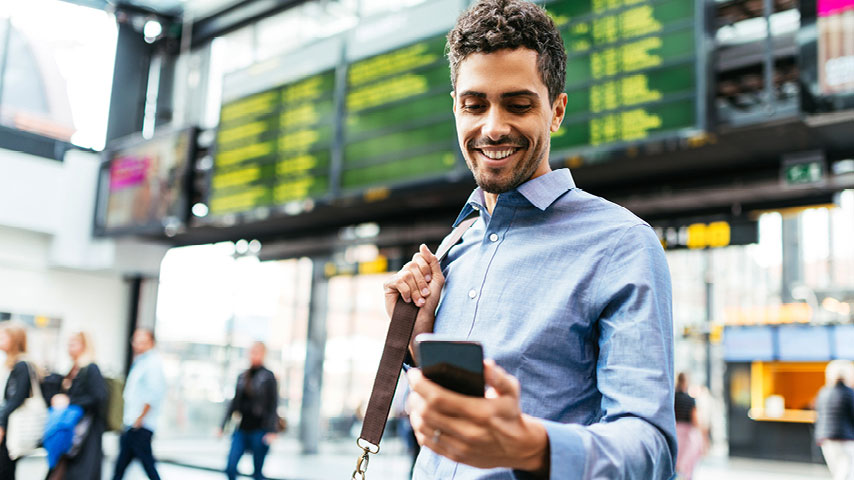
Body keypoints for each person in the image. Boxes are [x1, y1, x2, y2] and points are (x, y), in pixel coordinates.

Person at [382, 1, 676, 478]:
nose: (493, 127)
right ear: (456, 107)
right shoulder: (455, 247)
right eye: (474, 104)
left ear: (556, 111)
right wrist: (418, 343)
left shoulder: (621, 244)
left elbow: (651, 449)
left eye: (518, 104)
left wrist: (531, 447)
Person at [45, 332, 109, 480]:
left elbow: (99, 397)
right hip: (71, 431)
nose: (69, 348)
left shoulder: (90, 368)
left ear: (84, 346)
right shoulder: (74, 369)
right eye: (69, 344)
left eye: (73, 344)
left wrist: (70, 401)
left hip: (86, 432)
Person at [111, 329, 166, 480]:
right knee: (120, 467)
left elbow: (153, 395)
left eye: (143, 341)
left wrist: (139, 419)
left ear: (152, 343)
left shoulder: (153, 363)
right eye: (136, 340)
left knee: (148, 465)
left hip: (140, 426)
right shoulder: (141, 361)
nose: (138, 344)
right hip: (132, 424)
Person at [219, 341, 278, 480]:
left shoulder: (268, 376)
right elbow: (233, 404)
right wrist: (222, 426)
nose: (253, 356)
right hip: (242, 428)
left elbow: (273, 405)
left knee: (257, 472)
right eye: (252, 352)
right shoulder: (242, 376)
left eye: (257, 352)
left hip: (260, 429)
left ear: (263, 354)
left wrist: (272, 431)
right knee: (230, 467)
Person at [0, 324, 34, 480]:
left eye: (3, 337)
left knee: (5, 470)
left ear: (14, 340)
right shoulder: (12, 364)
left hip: (12, 427)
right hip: (9, 425)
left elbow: (16, 399)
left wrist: (1, 424)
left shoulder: (22, 365)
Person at [815, 360, 854, 480]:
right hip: (845, 438)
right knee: (847, 471)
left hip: (826, 439)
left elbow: (818, 415)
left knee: (838, 471)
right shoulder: (848, 393)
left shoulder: (823, 392)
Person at [674, 372, 703, 479]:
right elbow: (695, 420)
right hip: (686, 435)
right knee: (686, 463)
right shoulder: (690, 400)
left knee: (676, 461)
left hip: (675, 431)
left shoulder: (673, 398)